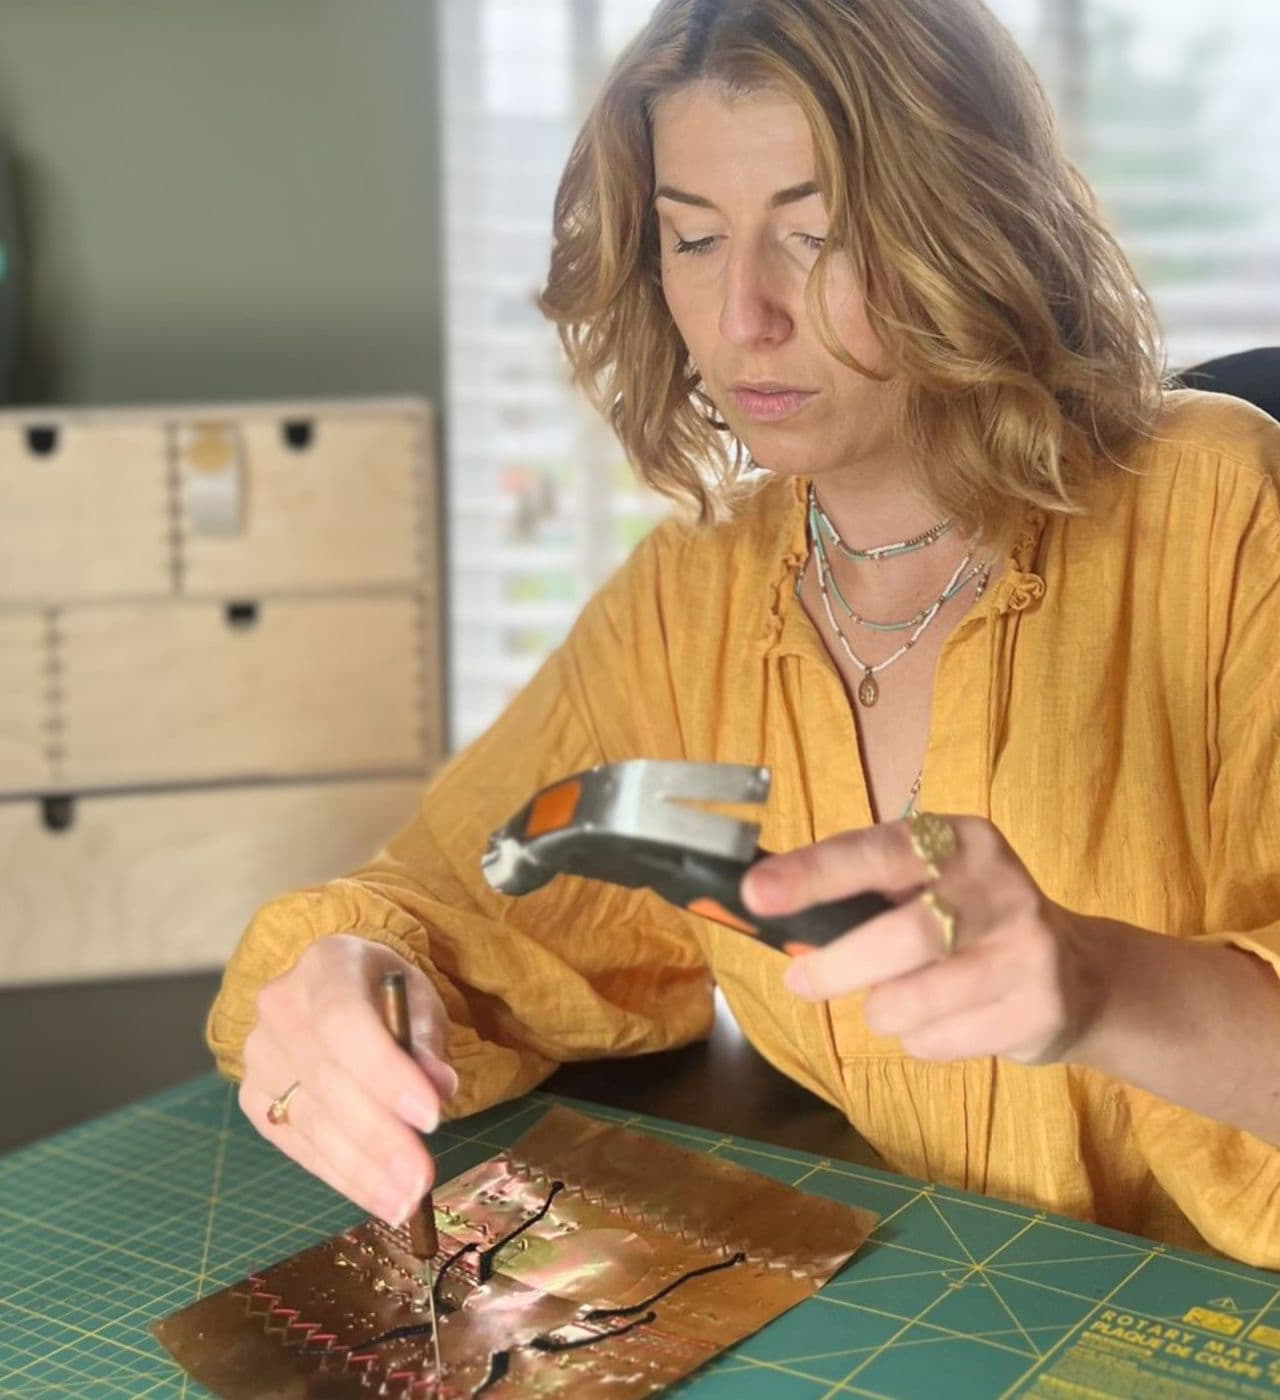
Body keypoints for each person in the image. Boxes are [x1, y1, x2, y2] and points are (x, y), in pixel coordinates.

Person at [208, 0, 1280, 1268]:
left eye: (815, 234)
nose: (744, 316)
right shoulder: (691, 605)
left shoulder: (1218, 510)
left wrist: (1102, 985)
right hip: (933, 1288)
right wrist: (353, 978)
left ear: (967, 225)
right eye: (693, 238)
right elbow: (480, 894)